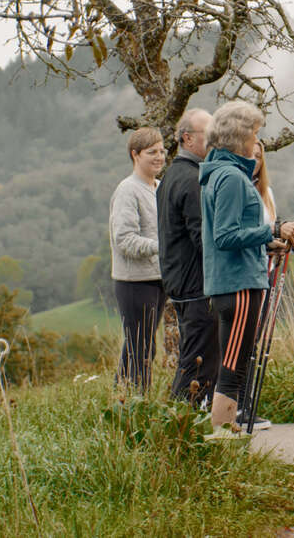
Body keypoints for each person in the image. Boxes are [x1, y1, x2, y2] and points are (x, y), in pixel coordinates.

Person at [199, 101, 294, 435]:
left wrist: (268, 242)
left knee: (234, 363)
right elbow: (226, 236)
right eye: (255, 133)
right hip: (239, 283)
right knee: (234, 367)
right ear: (240, 137)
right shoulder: (230, 177)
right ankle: (223, 438)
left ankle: (224, 435)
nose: (257, 140)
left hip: (233, 281)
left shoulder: (221, 173)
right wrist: (271, 230)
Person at [157, 108, 220, 409]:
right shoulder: (192, 180)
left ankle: (188, 420)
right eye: (207, 134)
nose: (213, 140)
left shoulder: (172, 175)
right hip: (196, 284)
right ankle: (178, 423)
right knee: (198, 360)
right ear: (187, 137)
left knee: (195, 356)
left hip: (181, 281)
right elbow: (202, 238)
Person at [109, 127, 167, 392]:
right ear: (135, 155)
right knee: (139, 348)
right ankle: (131, 406)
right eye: (151, 152)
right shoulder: (127, 190)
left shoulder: (159, 187)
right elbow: (124, 240)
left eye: (162, 151)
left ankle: (127, 400)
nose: (159, 157)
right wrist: (164, 246)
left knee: (144, 347)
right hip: (134, 282)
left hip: (157, 279)